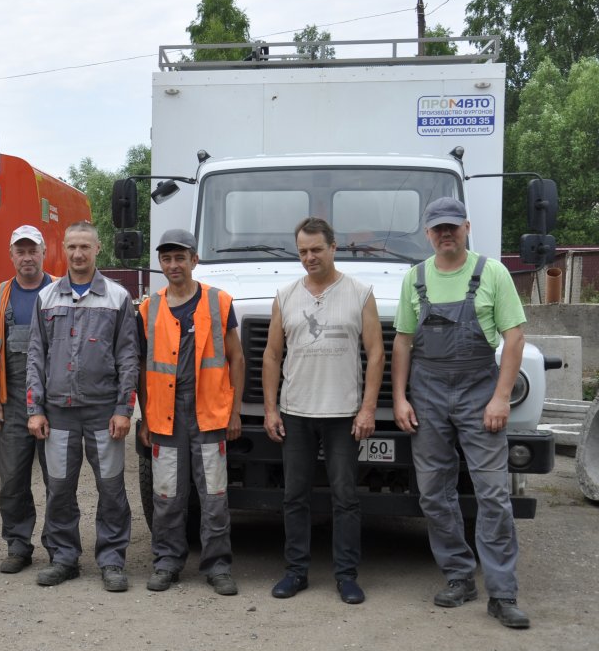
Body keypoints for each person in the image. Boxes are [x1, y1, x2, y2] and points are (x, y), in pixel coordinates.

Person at [392, 197, 531, 629]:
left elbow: (514, 338)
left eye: (452, 226)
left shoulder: (492, 273)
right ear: (427, 233)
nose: (445, 233)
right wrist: (400, 397)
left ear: (466, 227)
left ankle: (503, 592)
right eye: (438, 228)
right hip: (427, 392)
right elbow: (402, 343)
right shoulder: (415, 277)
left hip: (479, 390)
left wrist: (501, 397)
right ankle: (458, 576)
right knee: (434, 491)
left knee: (492, 493)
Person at [261, 218, 383, 604]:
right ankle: (295, 572)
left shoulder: (360, 293)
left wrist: (367, 409)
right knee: (294, 496)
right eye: (302, 251)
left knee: (345, 497)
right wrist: (270, 408)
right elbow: (272, 354)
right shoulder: (285, 295)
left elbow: (376, 353)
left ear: (334, 247)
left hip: (343, 413)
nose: (309, 257)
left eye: (316, 249)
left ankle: (346, 576)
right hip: (296, 411)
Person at [27, 221, 137, 592]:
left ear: (97, 249)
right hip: (57, 411)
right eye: (72, 247)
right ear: (63, 248)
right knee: (58, 487)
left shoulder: (118, 297)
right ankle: (63, 558)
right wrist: (35, 409)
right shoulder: (47, 297)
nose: (77, 254)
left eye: (85, 247)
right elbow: (35, 356)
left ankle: (111, 560)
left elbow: (128, 356)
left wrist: (124, 409)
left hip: (104, 411)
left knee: (110, 487)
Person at [137, 229, 245, 595]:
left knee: (214, 494)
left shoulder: (218, 303)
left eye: (180, 257)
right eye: (166, 258)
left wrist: (234, 412)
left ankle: (217, 566)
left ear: (194, 260)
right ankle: (167, 562)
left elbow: (237, 358)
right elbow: (142, 367)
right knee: (166, 495)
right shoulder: (149, 308)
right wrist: (146, 416)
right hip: (166, 415)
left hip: (210, 413)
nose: (173, 265)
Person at [0, 225, 54, 574]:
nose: (27, 257)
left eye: (33, 250)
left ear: (44, 253)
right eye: (20, 251)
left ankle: (59, 544)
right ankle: (18, 544)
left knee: (58, 479)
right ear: (11, 256)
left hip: (54, 403)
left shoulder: (60, 291)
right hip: (12, 403)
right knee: (12, 479)